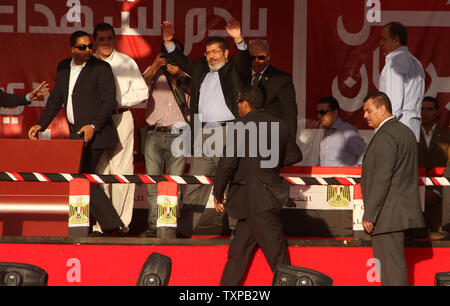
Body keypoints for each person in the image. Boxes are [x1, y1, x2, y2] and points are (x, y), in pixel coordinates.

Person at [28, 30, 126, 236]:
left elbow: (108, 101)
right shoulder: (64, 67)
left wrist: (93, 125)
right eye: (82, 47)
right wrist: (41, 124)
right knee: (81, 178)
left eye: (90, 46)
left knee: (83, 177)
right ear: (72, 48)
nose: (88, 50)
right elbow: (56, 99)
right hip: (76, 134)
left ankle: (111, 224)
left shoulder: (101, 67)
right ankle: (104, 224)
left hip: (96, 133)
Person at [161, 18, 252, 238]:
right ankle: (183, 232)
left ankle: (236, 233)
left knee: (230, 182)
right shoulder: (202, 68)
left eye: (215, 52)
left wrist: (239, 39)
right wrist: (169, 42)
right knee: (197, 182)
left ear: (226, 54)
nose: (211, 56)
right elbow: (181, 61)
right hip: (204, 133)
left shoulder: (234, 69)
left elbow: (245, 61)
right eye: (208, 52)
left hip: (228, 131)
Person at [213, 86, 302, 285]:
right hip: (260, 199)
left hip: (255, 200)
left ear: (245, 103)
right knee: (237, 255)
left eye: (238, 102)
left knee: (278, 260)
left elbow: (227, 164)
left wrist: (217, 193)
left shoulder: (240, 125)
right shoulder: (279, 124)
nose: (237, 106)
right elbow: (295, 156)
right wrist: (268, 167)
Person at [361, 91, 425, 286]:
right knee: (392, 268)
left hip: (387, 216)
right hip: (399, 213)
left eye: (368, 111)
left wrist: (370, 214)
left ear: (382, 109)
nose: (365, 116)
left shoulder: (386, 135)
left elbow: (382, 177)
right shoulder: (406, 132)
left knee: (391, 272)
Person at [92, 23, 149, 235]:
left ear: (114, 39)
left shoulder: (126, 62)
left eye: (109, 38)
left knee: (122, 171)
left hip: (120, 117)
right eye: (101, 39)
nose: (106, 43)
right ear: (95, 40)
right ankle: (103, 223)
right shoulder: (89, 63)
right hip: (96, 122)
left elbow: (142, 92)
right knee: (99, 171)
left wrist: (118, 102)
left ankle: (121, 224)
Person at [140, 40, 191, 238]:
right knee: (153, 183)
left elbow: (196, 93)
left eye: (174, 54)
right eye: (166, 54)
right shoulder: (154, 72)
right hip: (154, 134)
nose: (170, 58)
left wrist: (179, 74)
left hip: (179, 134)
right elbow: (139, 87)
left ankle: (170, 225)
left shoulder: (188, 74)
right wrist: (155, 66)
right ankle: (153, 224)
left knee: (174, 183)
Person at [378, 22, 425, 142]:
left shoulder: (396, 61)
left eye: (384, 39)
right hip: (412, 129)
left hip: (396, 131)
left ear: (396, 40)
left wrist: (384, 132)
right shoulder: (416, 62)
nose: (380, 43)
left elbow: (394, 102)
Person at [249, 40, 297, 137]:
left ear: (268, 58)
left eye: (261, 57)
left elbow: (289, 115)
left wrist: (289, 145)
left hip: (270, 136)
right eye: (252, 57)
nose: (256, 61)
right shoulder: (241, 77)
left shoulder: (281, 79)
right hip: (246, 134)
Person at [418, 96, 450, 236]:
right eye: (422, 109)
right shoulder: (411, 136)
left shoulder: (447, 137)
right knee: (417, 239)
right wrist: (422, 193)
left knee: (441, 239)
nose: (425, 113)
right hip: (416, 197)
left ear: (437, 112)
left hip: (442, 196)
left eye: (430, 109)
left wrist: (436, 192)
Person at [316, 96, 366, 166]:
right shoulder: (325, 133)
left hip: (343, 176)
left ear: (335, 113)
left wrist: (356, 174)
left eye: (323, 112)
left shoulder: (347, 131)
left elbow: (365, 154)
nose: (319, 116)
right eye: (317, 112)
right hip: (325, 176)